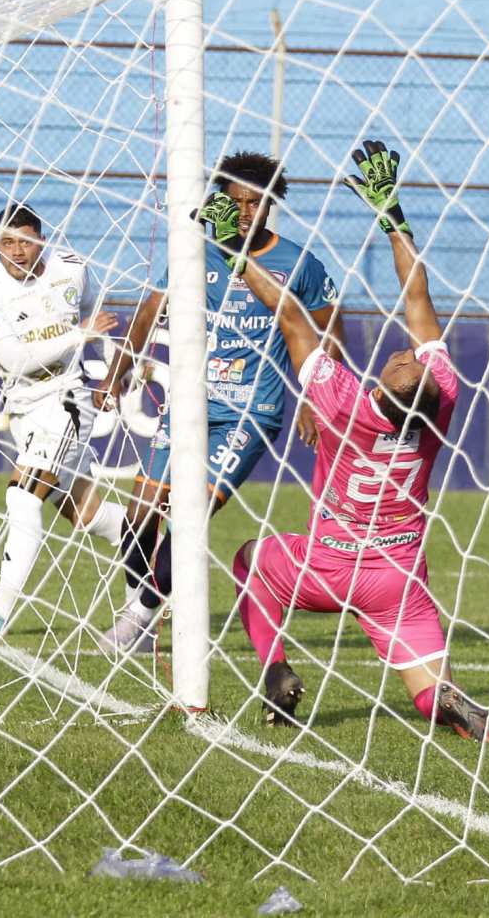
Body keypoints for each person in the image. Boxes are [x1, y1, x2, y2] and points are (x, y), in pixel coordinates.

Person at [222, 141, 489, 742]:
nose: (407, 354)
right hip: (398, 578)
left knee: (248, 559)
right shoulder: (441, 402)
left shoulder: (341, 401)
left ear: (384, 388)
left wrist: (234, 251)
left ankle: (274, 669)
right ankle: (452, 707)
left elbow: (291, 315)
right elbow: (418, 298)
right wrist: (392, 214)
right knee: (430, 690)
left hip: (325, 565)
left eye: (404, 364)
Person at [94, 150, 343, 654]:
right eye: (238, 203)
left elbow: (330, 330)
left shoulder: (298, 263)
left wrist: (316, 398)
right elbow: (149, 312)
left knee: (190, 514)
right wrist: (119, 371)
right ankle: (142, 611)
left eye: (257, 203)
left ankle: (137, 617)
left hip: (252, 413)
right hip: (191, 404)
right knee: (141, 513)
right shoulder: (195, 253)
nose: (248, 212)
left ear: (270, 204)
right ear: (221, 203)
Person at [0, 202, 127, 635]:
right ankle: (161, 544)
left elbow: (97, 317)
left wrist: (114, 375)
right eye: (6, 242)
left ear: (41, 241)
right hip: (24, 404)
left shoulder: (72, 268)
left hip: (66, 399)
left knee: (23, 496)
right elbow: (14, 359)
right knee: (83, 512)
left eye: (25, 242)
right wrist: (78, 334)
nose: (16, 251)